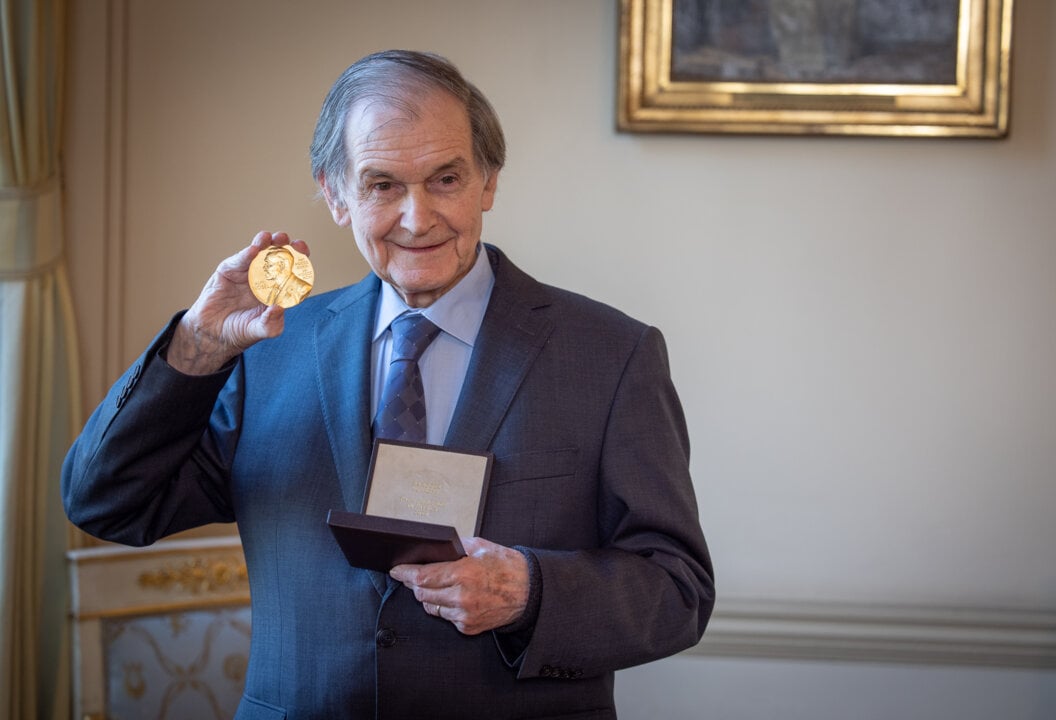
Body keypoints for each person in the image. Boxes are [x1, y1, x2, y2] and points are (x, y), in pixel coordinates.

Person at [62, 50, 714, 720]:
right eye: (382, 185)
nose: (417, 217)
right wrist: (194, 349)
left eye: (446, 178)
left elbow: (678, 589)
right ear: (334, 194)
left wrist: (530, 593)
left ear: (488, 180)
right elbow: (105, 503)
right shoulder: (267, 349)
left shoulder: (611, 355)